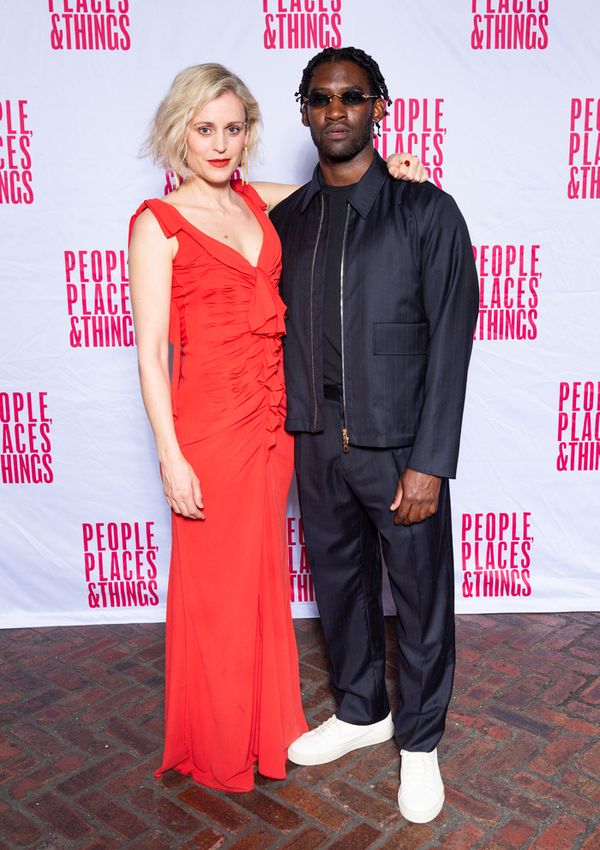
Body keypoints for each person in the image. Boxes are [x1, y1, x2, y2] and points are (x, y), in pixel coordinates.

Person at [128, 63, 426, 793]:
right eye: (205, 129)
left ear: (249, 133)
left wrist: (390, 166)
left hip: (274, 426)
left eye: (233, 128)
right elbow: (149, 356)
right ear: (180, 133)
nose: (220, 144)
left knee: (260, 580)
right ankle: (220, 741)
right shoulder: (155, 223)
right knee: (216, 588)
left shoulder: (260, 204)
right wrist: (171, 457)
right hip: (208, 430)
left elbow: (342, 190)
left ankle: (266, 730)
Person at [269, 47, 479, 823]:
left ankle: (419, 742)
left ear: (379, 107)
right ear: (304, 112)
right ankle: (362, 712)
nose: (335, 112)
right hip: (316, 436)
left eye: (351, 97)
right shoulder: (286, 221)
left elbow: (452, 346)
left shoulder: (427, 212)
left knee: (419, 600)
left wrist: (430, 464)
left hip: (400, 447)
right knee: (340, 587)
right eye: (320, 99)